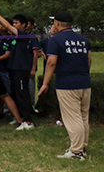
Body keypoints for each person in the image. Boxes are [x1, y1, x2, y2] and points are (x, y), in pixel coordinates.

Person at [38, 11, 91, 160]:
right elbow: (89, 60)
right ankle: (82, 146)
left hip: (67, 84)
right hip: (85, 83)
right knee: (83, 116)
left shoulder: (55, 40)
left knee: (73, 118)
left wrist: (45, 83)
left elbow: (51, 62)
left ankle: (76, 152)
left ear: (57, 23)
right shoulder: (84, 40)